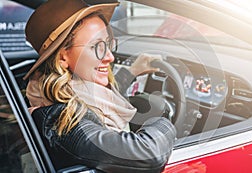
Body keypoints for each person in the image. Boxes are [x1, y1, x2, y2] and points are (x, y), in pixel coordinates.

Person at [24, 0, 176, 172]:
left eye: (108, 44)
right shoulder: (61, 120)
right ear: (62, 57)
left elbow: (101, 95)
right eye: (97, 46)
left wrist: (132, 71)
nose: (109, 57)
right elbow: (148, 153)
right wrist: (163, 119)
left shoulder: (62, 90)